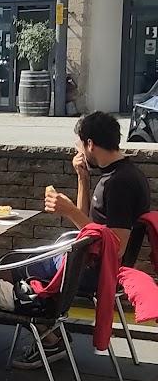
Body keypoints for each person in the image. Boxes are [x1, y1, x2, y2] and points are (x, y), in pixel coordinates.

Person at [13, 111, 151, 368]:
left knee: (19, 268)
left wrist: (68, 211)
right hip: (93, 259)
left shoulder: (121, 183)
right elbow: (89, 225)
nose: (78, 150)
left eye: (79, 144)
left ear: (90, 144)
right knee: (31, 262)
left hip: (101, 269)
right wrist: (82, 178)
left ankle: (50, 339)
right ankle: (50, 332)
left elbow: (115, 246)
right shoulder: (115, 173)